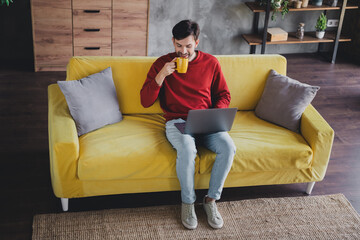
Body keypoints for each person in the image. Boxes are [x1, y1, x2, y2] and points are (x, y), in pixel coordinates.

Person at [140, 20, 236, 230]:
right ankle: (188, 202)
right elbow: (145, 101)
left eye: (189, 46)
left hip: (206, 120)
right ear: (173, 42)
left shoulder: (211, 63)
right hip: (177, 121)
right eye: (179, 46)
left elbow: (224, 94)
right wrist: (161, 75)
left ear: (197, 42)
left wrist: (215, 114)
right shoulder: (161, 64)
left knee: (228, 147)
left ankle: (210, 201)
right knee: (187, 148)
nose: (183, 51)